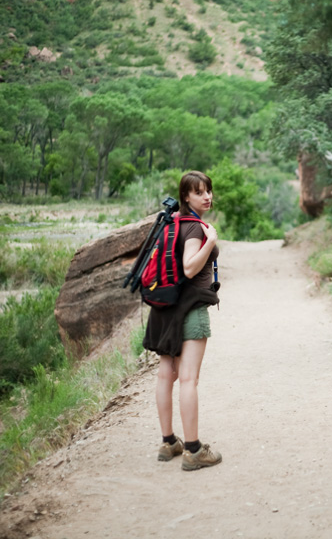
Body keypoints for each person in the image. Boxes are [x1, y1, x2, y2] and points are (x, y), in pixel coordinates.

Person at [142, 170, 223, 471]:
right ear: (185, 196)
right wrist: (209, 240)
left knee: (166, 375)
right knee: (188, 379)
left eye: (209, 191)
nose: (207, 196)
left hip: (165, 309)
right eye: (199, 192)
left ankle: (168, 442)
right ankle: (193, 450)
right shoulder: (195, 229)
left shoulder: (172, 224)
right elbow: (190, 268)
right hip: (190, 308)